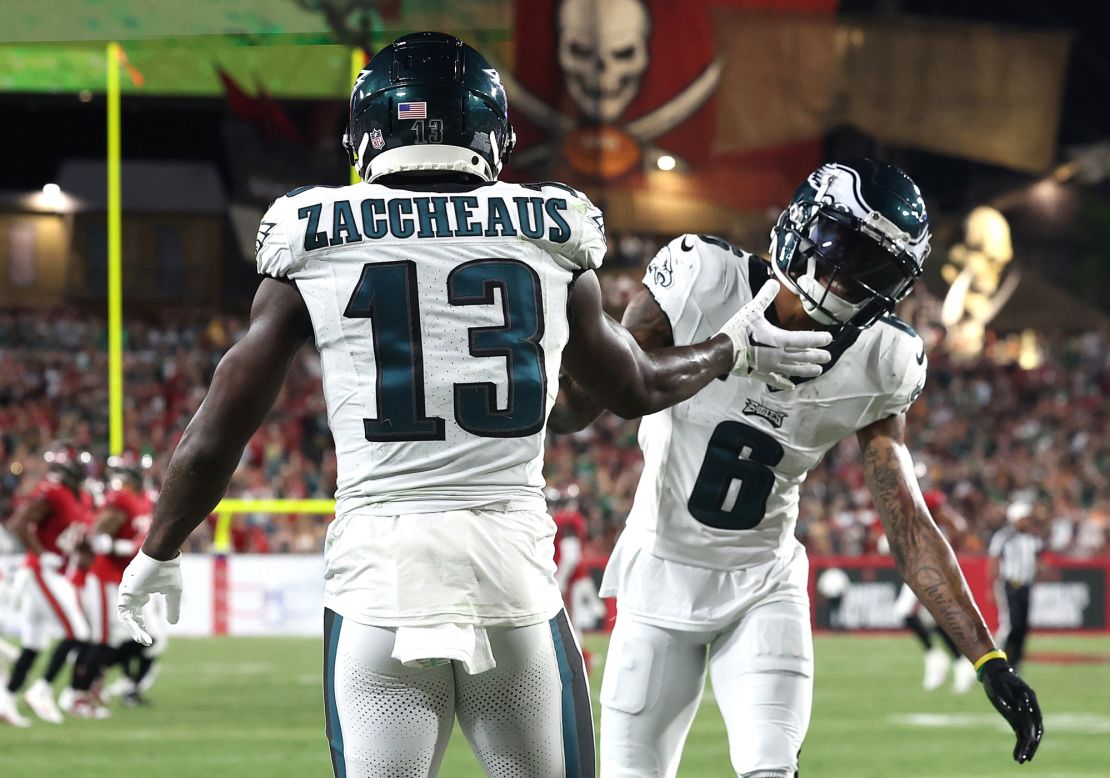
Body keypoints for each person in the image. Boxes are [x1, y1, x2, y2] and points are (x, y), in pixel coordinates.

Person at [114, 32, 831, 776]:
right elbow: (634, 389)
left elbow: (217, 431)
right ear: (492, 131)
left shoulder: (313, 231)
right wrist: (735, 348)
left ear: (367, 132)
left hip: (378, 581)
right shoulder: (549, 226)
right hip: (509, 573)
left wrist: (157, 551)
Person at [550, 159, 1043, 776]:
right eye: (841, 249)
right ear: (801, 226)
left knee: (770, 767)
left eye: (873, 270)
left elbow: (909, 523)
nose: (845, 280)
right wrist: (724, 348)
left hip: (764, 586)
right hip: (659, 579)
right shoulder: (703, 278)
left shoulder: (884, 358)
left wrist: (987, 659)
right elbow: (587, 404)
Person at [0, 442, 94, 727]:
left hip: (57, 571)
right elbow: (18, 524)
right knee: (78, 632)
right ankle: (41, 691)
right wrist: (43, 554)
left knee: (32, 644)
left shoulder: (84, 497)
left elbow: (75, 534)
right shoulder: (52, 491)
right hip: (40, 571)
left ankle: (5, 700)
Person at [63, 457, 154, 716]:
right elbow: (98, 528)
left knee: (113, 639)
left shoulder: (140, 500)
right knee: (102, 639)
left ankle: (88, 687)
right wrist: (108, 544)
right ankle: (77, 695)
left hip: (119, 578)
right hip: (104, 577)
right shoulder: (123, 499)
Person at [892, 487, 977, 692]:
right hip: (922, 572)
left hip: (932, 573)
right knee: (934, 620)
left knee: (905, 612)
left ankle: (938, 657)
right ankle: (956, 662)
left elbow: (960, 531)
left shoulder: (939, 525)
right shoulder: (924, 523)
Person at [989, 500, 1043, 672]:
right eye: (1025, 518)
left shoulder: (1031, 538)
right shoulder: (1004, 536)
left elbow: (1036, 560)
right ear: (1016, 518)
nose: (1028, 521)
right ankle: (996, 659)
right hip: (1010, 585)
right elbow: (994, 560)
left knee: (1023, 626)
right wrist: (990, 585)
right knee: (1012, 624)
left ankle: (1015, 664)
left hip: (1026, 585)